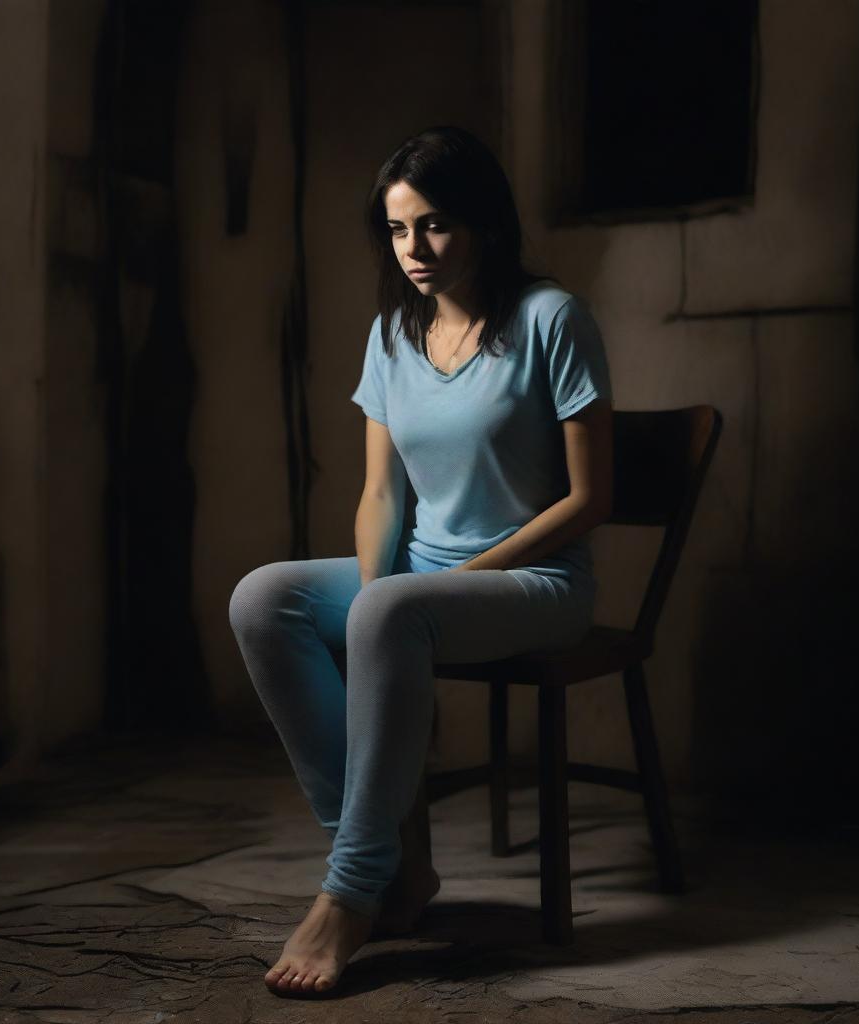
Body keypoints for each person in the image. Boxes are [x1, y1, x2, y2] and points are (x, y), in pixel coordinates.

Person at [228, 124, 613, 997]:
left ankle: (352, 891)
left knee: (391, 611)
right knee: (263, 599)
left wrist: (447, 585)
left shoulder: (551, 317)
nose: (414, 249)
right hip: (422, 581)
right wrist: (378, 592)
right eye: (398, 230)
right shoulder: (392, 335)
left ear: (482, 222)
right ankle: (395, 860)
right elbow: (380, 497)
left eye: (434, 225)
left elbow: (591, 501)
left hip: (535, 582)